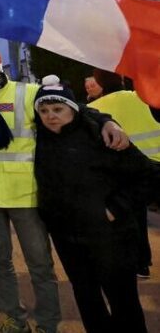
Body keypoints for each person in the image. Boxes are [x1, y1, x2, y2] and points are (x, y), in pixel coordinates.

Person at [0, 40, 128, 333]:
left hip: (25, 195)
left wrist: (108, 121)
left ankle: (47, 323)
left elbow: (76, 111)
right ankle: (14, 320)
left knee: (40, 265)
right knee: (0, 263)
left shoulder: (27, 93)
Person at [34, 75, 160, 332]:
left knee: (123, 302)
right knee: (87, 299)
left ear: (72, 108)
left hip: (111, 237)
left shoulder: (100, 135)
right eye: (44, 110)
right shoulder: (41, 139)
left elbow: (150, 176)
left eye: (58, 109)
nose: (51, 116)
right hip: (68, 239)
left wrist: (115, 210)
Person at [89, 69, 160, 279]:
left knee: (133, 217)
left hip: (124, 173)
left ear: (100, 83)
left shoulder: (94, 109)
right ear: (120, 78)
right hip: (156, 165)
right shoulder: (143, 98)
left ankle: (141, 263)